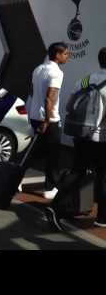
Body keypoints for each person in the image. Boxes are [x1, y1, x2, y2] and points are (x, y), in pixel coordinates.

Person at [45, 48, 106, 231]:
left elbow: (70, 105)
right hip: (101, 138)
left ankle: (55, 207)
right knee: (103, 176)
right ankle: (102, 218)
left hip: (81, 134)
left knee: (77, 171)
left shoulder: (85, 79)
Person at [26, 42, 70, 200]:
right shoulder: (57, 73)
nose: (67, 56)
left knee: (34, 151)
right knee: (53, 155)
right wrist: (47, 120)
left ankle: (15, 178)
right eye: (65, 54)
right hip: (48, 120)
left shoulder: (38, 69)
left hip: (35, 116)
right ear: (57, 55)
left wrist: (32, 117)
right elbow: (50, 98)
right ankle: (50, 188)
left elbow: (31, 94)